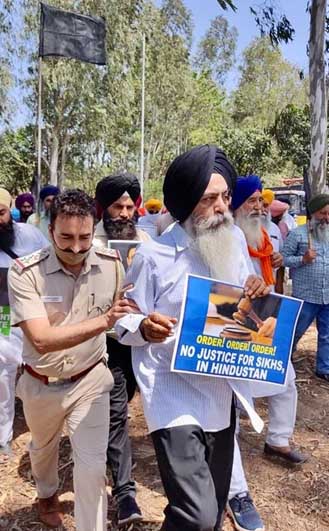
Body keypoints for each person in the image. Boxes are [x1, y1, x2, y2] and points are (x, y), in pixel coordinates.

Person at [115, 144, 270, 531]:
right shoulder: (154, 255)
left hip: (221, 388)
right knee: (196, 516)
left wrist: (256, 287)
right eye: (209, 199)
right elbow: (123, 319)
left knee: (212, 511)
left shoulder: (233, 240)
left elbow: (242, 297)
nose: (221, 207)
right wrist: (144, 327)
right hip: (172, 393)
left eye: (225, 197)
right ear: (186, 203)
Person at [8, 189, 137, 530]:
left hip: (90, 380)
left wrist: (146, 325)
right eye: (66, 237)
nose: (76, 248)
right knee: (42, 449)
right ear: (51, 231)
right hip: (40, 382)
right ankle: (47, 493)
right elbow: (40, 339)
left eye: (84, 237)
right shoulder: (25, 273)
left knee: (93, 469)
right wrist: (105, 321)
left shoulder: (111, 265)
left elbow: (125, 316)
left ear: (94, 230)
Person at [227, 177, 307, 531]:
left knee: (285, 381)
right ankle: (236, 492)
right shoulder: (224, 234)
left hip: (267, 320)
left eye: (262, 200)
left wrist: (277, 262)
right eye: (252, 200)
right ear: (236, 204)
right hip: (235, 324)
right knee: (228, 406)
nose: (259, 206)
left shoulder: (271, 231)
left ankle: (277, 440)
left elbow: (275, 270)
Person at [94, 173, 145, 527]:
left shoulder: (148, 241)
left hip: (139, 343)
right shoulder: (87, 242)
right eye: (118, 206)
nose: (125, 213)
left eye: (130, 206)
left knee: (122, 403)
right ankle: (125, 493)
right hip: (104, 343)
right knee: (117, 415)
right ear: (104, 207)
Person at [0, 188, 48, 462]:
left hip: (34, 312)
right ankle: (3, 436)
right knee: (3, 376)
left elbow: (50, 263)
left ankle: (41, 433)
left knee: (37, 373)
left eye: (1, 213)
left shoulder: (30, 235)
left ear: (10, 211)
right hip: (3, 315)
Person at [283, 193, 329, 382]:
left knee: (326, 334)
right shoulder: (298, 234)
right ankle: (284, 361)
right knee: (296, 330)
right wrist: (303, 259)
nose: (326, 218)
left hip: (327, 295)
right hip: (306, 295)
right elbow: (283, 259)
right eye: (322, 213)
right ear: (312, 213)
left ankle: (324, 367)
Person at [261, 190, 284, 294]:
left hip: (271, 288)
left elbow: (281, 259)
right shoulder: (241, 229)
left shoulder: (275, 229)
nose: (261, 209)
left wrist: (279, 258)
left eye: (265, 206)